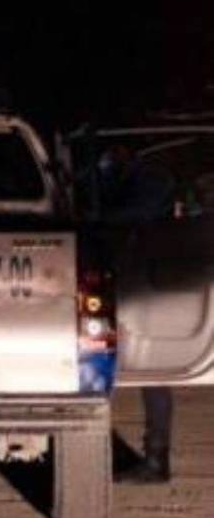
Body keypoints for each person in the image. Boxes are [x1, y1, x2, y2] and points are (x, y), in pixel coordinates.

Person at [99, 143, 177, 483]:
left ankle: (156, 458)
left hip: (146, 286)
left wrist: (96, 215)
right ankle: (124, 453)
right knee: (104, 367)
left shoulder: (152, 179)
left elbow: (136, 214)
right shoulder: (117, 179)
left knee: (151, 372)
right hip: (126, 282)